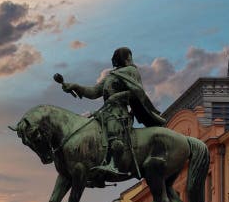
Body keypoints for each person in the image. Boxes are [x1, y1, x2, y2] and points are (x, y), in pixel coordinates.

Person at [61, 47, 166, 177]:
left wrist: (117, 96)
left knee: (113, 129)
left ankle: (113, 164)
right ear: (125, 57)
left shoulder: (132, 71)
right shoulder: (111, 76)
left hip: (119, 113)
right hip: (105, 112)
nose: (130, 59)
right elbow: (94, 92)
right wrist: (76, 86)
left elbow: (138, 92)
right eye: (129, 56)